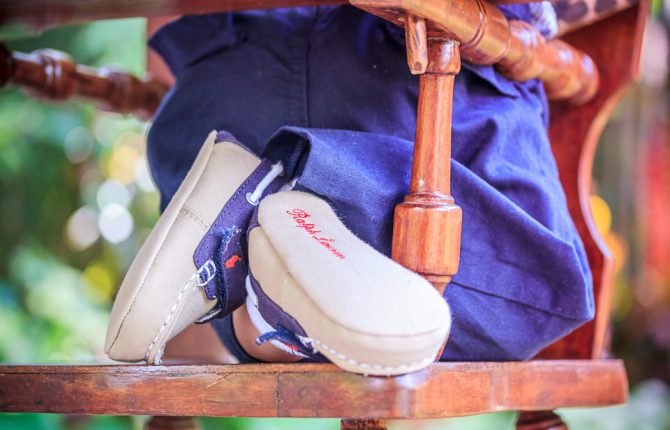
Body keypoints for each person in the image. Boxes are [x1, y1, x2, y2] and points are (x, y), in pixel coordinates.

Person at [109, 2, 595, 369]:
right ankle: (263, 296)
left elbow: (161, 37)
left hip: (217, 89)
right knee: (547, 291)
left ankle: (251, 268)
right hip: (418, 76)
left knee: (367, 309)